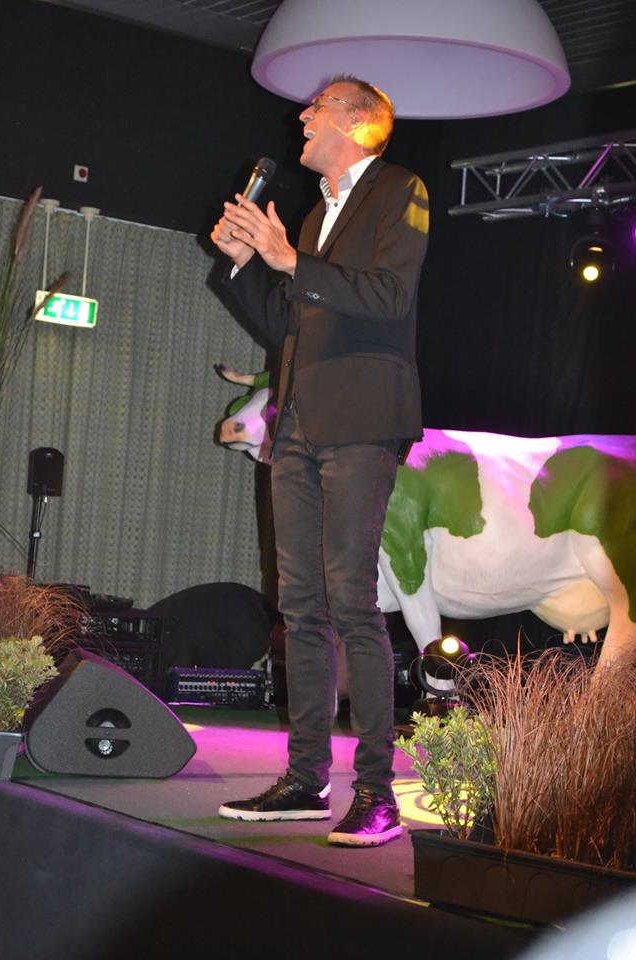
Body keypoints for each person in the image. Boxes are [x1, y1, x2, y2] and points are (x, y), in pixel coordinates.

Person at [210, 74, 429, 846]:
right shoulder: (312, 215)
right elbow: (286, 325)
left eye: (318, 107)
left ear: (360, 124)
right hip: (299, 421)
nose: (302, 115)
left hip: (363, 419)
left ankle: (377, 793)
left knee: (350, 602)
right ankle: (306, 780)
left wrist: (287, 259)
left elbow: (389, 296)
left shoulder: (401, 190)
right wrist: (247, 261)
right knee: (300, 605)